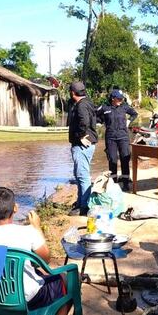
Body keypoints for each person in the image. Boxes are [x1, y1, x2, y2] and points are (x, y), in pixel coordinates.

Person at [0, 187, 70, 315]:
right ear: (15, 208)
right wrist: (37, 227)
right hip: (31, 297)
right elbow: (46, 260)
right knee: (64, 280)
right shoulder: (28, 231)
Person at [97, 89, 138, 191]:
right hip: (110, 137)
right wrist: (100, 121)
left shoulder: (124, 106)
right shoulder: (105, 107)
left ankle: (125, 183)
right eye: (118, 98)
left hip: (123, 137)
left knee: (125, 158)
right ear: (112, 98)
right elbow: (95, 114)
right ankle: (113, 183)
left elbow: (134, 114)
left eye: (121, 98)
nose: (120, 100)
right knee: (112, 160)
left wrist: (129, 121)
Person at [67, 81, 98, 216]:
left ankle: (84, 206)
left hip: (82, 145)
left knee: (82, 175)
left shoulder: (81, 106)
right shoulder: (87, 103)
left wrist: (80, 136)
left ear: (73, 93)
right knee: (80, 175)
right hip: (86, 144)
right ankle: (80, 202)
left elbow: (84, 122)